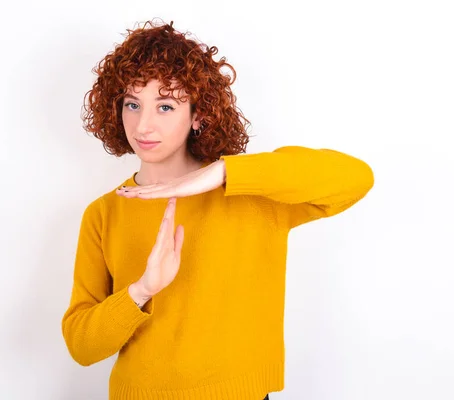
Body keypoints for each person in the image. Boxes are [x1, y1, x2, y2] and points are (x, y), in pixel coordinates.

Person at [61, 19, 374, 400]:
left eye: (165, 105)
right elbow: (82, 346)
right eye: (132, 103)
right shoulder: (105, 213)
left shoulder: (250, 193)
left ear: (198, 114)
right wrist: (140, 291)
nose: (143, 124)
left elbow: (355, 178)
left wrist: (224, 172)